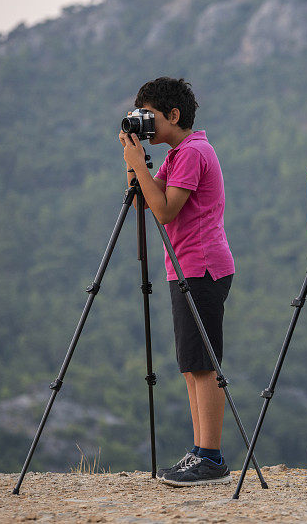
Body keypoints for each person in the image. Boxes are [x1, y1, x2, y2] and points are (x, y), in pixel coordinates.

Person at [119, 77, 234, 486]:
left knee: (202, 364)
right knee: (190, 364)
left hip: (201, 266)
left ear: (173, 115)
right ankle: (201, 450)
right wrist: (137, 168)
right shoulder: (177, 154)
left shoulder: (192, 153)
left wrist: (136, 164)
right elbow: (148, 198)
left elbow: (164, 210)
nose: (142, 124)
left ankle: (212, 456)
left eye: (148, 116)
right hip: (185, 266)